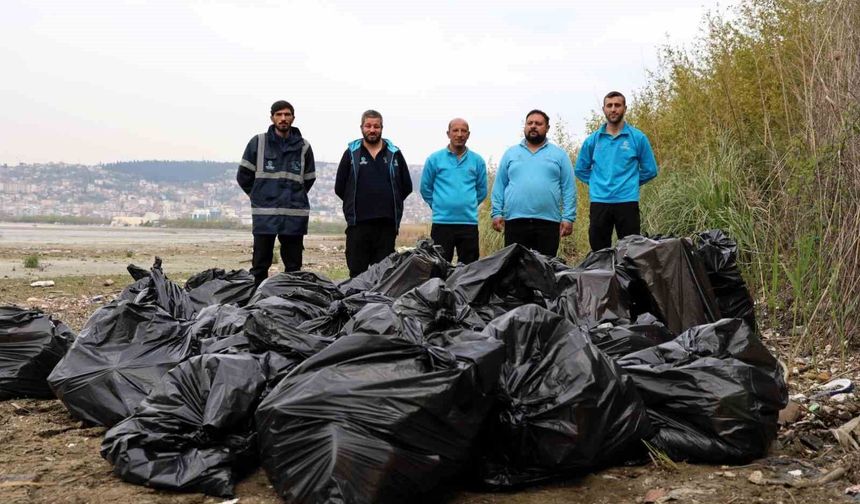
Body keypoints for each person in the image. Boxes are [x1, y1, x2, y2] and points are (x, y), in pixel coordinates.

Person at [236, 100, 315, 289]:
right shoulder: (258, 142)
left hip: (294, 217)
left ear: (293, 118)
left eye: (287, 115)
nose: (283, 118)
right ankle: (255, 302)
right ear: (272, 117)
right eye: (279, 114)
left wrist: (295, 198)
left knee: (294, 267)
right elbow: (243, 176)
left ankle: (291, 304)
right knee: (260, 265)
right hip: (265, 216)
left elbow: (309, 179)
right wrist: (258, 196)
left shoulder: (304, 147)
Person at [574, 91, 658, 251]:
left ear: (625, 108)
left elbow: (650, 170)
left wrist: (631, 182)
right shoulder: (593, 140)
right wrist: (597, 182)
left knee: (631, 252)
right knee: (599, 252)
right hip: (600, 202)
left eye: (617, 105)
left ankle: (629, 277)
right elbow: (580, 169)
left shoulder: (637, 138)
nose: (613, 109)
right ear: (604, 109)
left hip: (627, 201)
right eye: (609, 105)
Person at [335, 109, 412, 277]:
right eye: (368, 126)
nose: (372, 130)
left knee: (383, 275)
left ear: (382, 128)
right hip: (358, 225)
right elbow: (340, 187)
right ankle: (355, 304)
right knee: (357, 273)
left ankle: (379, 304)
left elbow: (406, 187)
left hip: (386, 225)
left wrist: (389, 203)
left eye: (376, 126)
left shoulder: (394, 154)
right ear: (361, 127)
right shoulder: (351, 153)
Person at [491, 109, 576, 257]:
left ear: (547, 128)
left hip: (548, 222)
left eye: (538, 123)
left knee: (545, 268)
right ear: (525, 126)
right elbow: (499, 185)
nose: (533, 126)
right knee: (514, 268)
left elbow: (568, 188)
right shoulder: (510, 153)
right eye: (529, 123)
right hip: (515, 221)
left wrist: (568, 217)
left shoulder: (559, 155)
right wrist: (496, 213)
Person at [420, 118, 488, 264]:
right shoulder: (434, 159)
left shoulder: (477, 161)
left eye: (463, 131)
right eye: (455, 130)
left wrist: (468, 204)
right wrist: (438, 205)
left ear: (468, 134)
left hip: (468, 224)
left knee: (469, 270)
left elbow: (482, 190)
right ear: (448, 133)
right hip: (442, 223)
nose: (459, 134)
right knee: (438, 267)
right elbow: (425, 188)